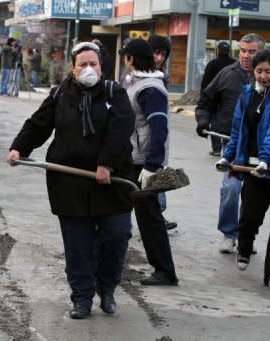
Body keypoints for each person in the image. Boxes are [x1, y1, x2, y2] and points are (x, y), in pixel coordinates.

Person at [6, 41, 135, 319]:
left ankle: (107, 288)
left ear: (101, 67)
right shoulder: (60, 95)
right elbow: (38, 123)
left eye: (93, 64)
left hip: (111, 181)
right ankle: (82, 298)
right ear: (73, 69)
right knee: (78, 245)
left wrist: (106, 164)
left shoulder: (116, 93)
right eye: (83, 65)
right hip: (70, 181)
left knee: (117, 236)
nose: (89, 69)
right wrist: (19, 147)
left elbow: (120, 130)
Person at [217, 49, 270, 289]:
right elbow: (238, 127)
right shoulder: (247, 93)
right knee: (250, 216)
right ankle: (244, 247)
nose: (263, 76)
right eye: (259, 71)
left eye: (268, 71)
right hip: (255, 168)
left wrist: (266, 158)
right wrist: (228, 156)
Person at [195, 33, 265, 254]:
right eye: (243, 50)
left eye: (251, 52)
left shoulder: (268, 78)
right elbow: (205, 101)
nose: (245, 55)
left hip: (262, 149)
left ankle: (247, 235)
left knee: (253, 196)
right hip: (233, 145)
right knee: (231, 188)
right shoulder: (226, 74)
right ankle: (228, 233)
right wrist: (203, 121)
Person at [120, 38, 178, 286]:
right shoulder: (138, 83)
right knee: (139, 214)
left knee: (150, 217)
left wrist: (152, 165)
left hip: (142, 162)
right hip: (135, 158)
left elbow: (159, 128)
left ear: (131, 59)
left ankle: (165, 271)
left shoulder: (150, 88)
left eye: (125, 56)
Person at [146, 34, 177, 231]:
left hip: (157, 141)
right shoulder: (138, 77)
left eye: (163, 55)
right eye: (156, 53)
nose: (159, 58)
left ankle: (157, 216)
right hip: (144, 141)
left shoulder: (161, 77)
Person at [200, 41, 237, 156]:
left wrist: (203, 97)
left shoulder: (212, 64)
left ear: (218, 50)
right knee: (229, 124)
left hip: (214, 99)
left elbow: (205, 82)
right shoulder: (234, 63)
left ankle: (216, 149)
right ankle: (228, 148)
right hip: (230, 99)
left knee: (215, 124)